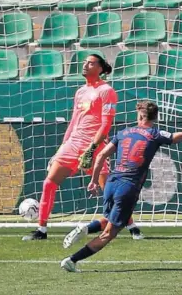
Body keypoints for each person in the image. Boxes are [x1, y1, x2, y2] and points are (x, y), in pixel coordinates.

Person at [61, 94, 182, 272]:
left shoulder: (123, 133)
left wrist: (93, 180)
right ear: (155, 117)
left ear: (140, 117)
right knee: (109, 234)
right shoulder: (155, 134)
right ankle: (72, 260)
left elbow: (101, 156)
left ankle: (85, 228)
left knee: (108, 219)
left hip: (112, 182)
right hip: (128, 187)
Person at [23, 54, 137, 241]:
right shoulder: (80, 92)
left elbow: (106, 124)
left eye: (90, 63)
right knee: (49, 183)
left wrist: (93, 148)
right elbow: (74, 121)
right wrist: (61, 148)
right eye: (84, 62)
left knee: (109, 190)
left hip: (95, 145)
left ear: (100, 68)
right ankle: (41, 230)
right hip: (73, 143)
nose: (85, 65)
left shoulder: (106, 91)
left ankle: (131, 225)